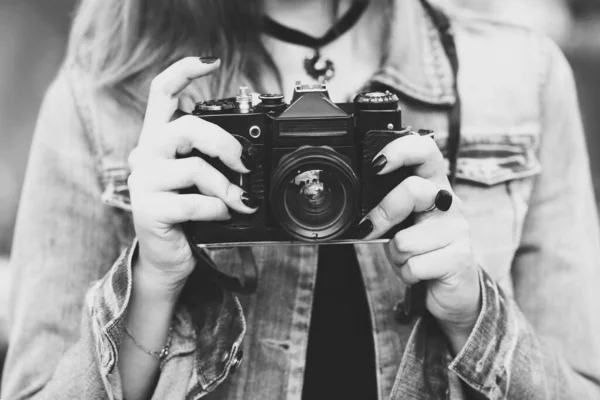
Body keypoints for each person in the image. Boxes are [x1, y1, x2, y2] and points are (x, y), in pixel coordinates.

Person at [2, 0, 600, 399]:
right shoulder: (104, 92)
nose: (313, 190)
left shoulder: (523, 77)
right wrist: (152, 283)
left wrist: (474, 313)